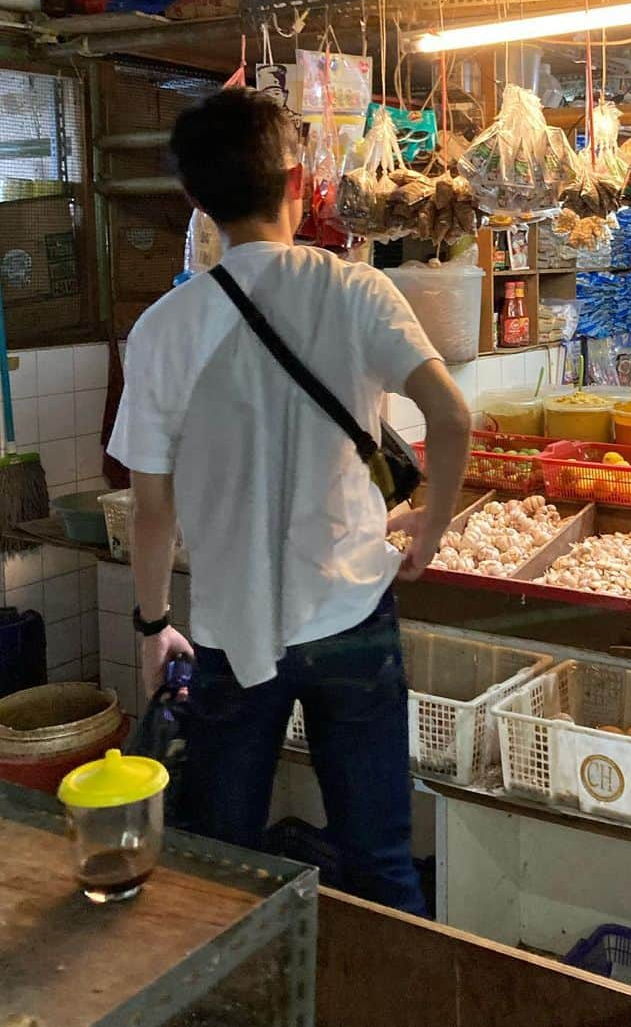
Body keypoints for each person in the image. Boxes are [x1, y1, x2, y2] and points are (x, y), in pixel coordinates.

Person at [108, 87, 470, 914]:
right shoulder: (356, 291)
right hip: (352, 614)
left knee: (221, 859)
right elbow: (451, 415)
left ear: (196, 201)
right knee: (379, 855)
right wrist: (433, 529)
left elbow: (151, 506)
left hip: (233, 633)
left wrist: (151, 623)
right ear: (299, 184)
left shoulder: (164, 327)